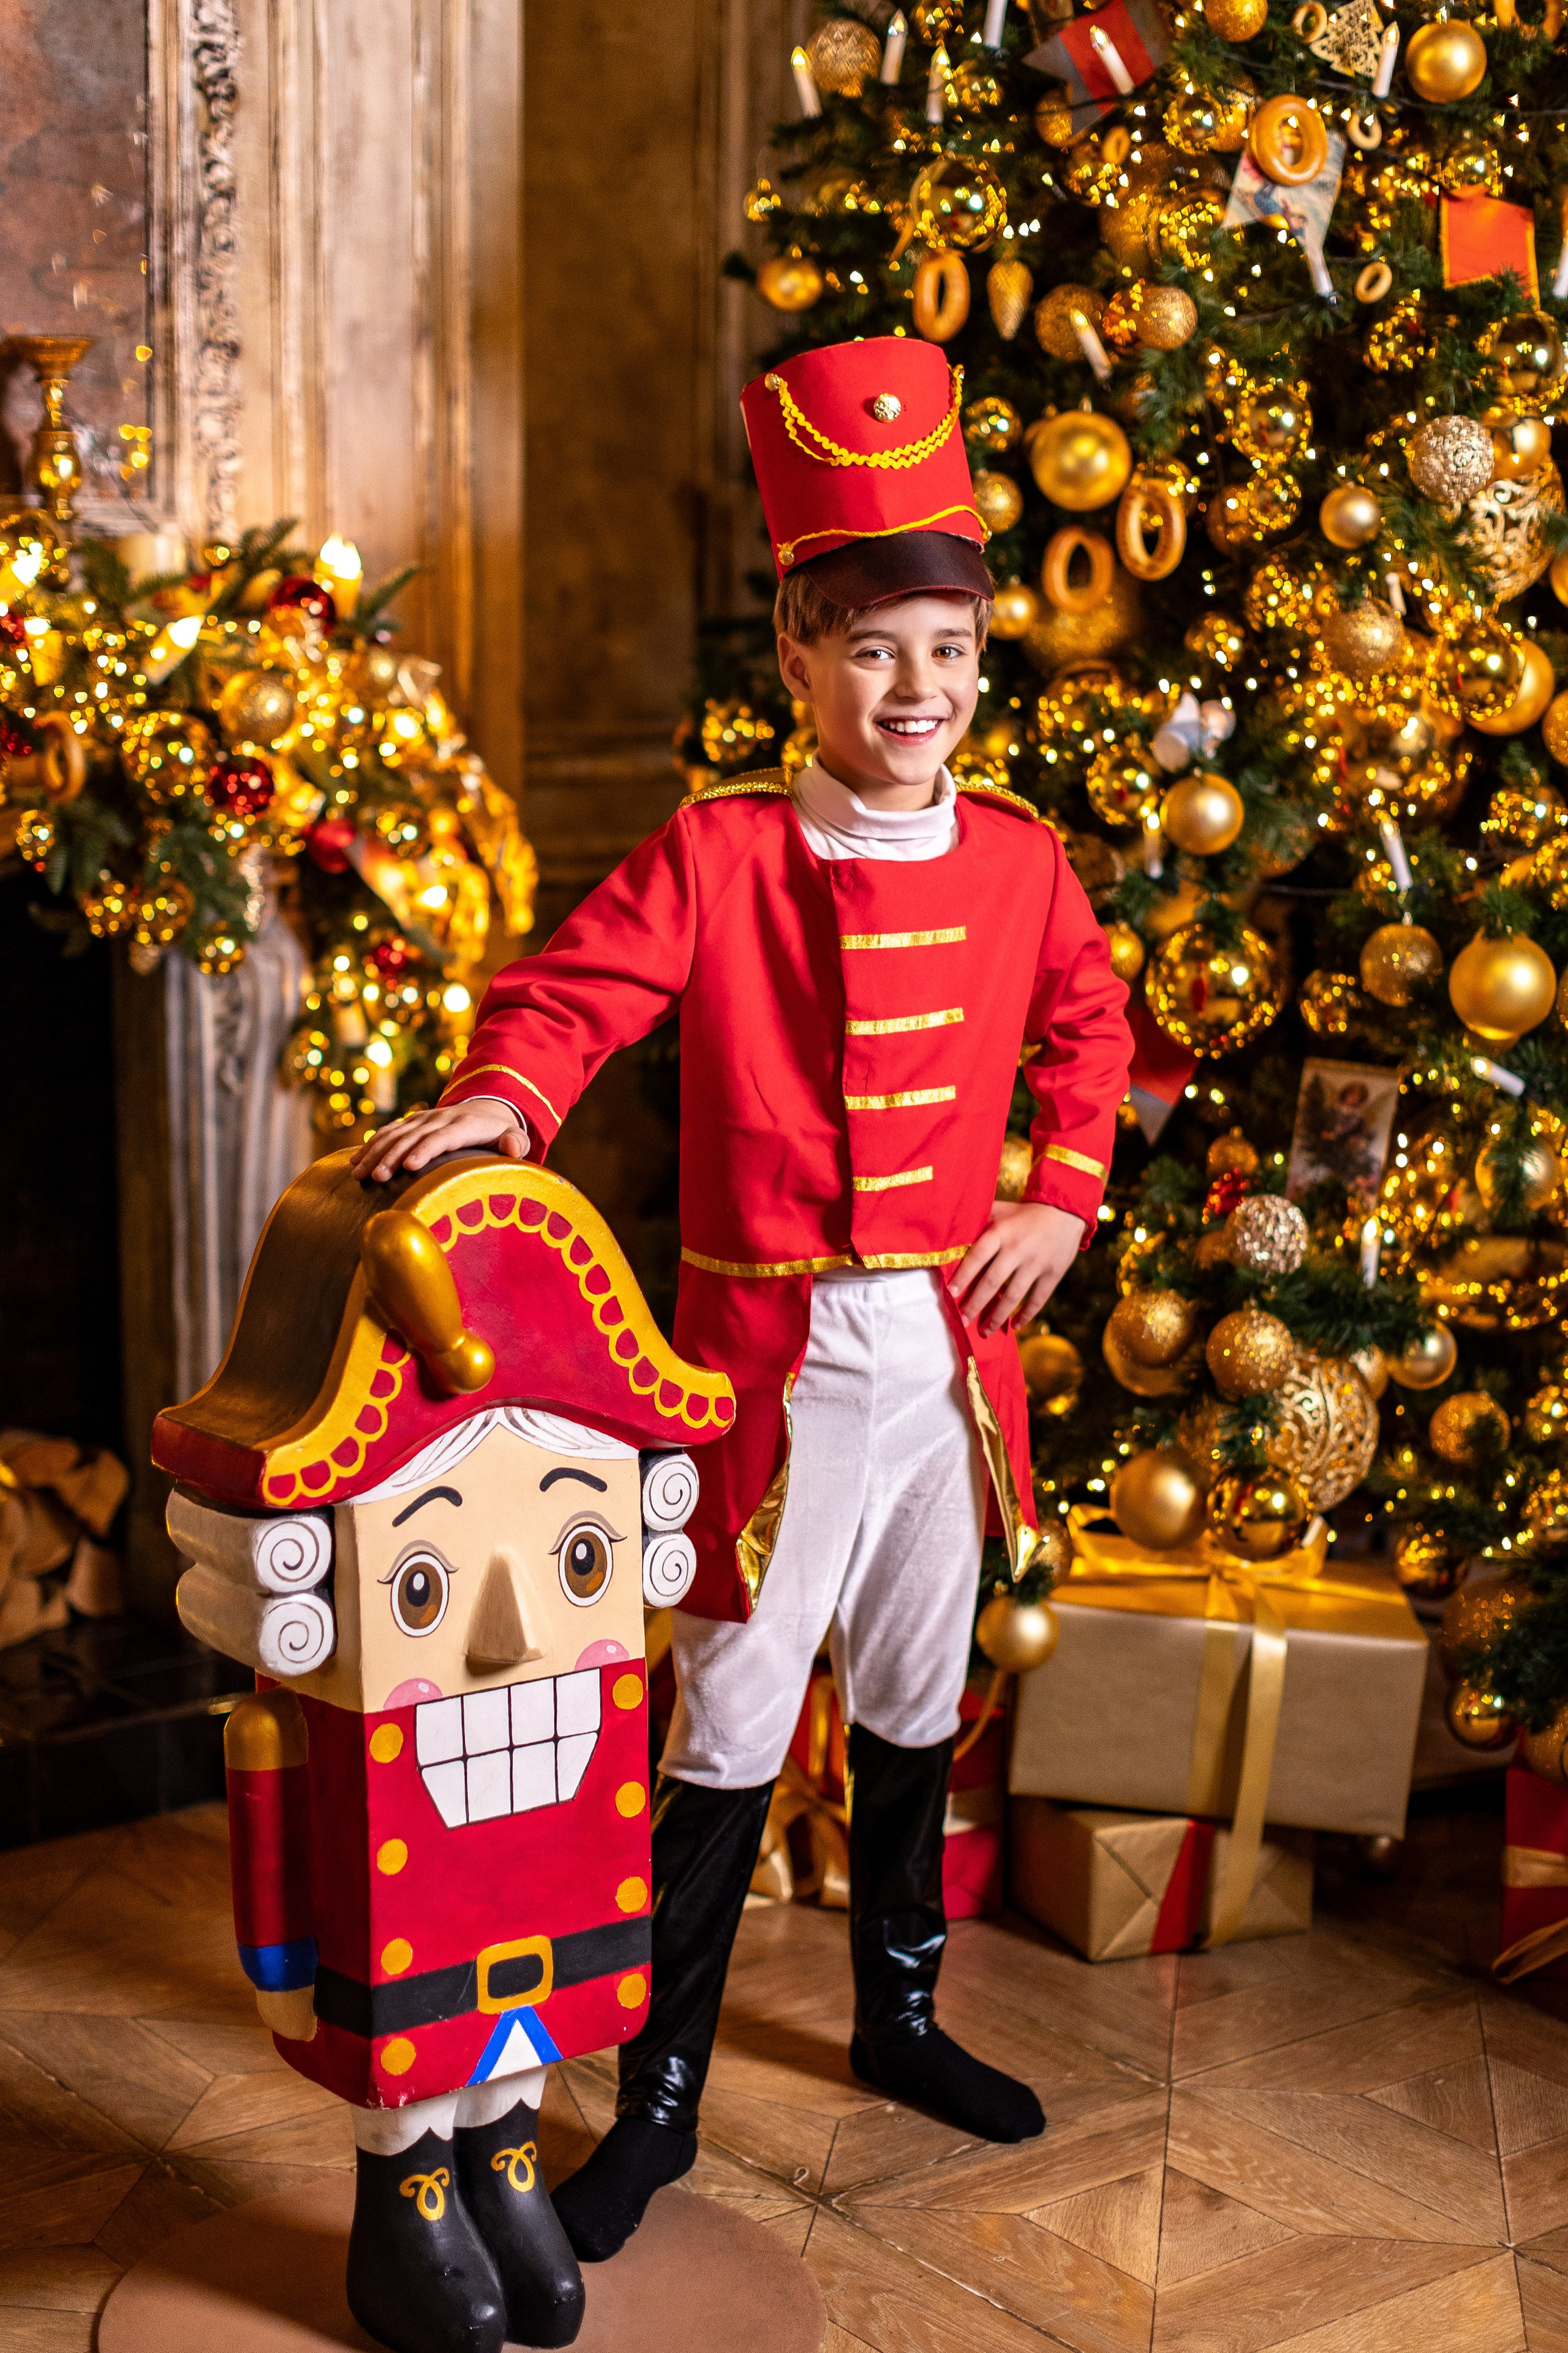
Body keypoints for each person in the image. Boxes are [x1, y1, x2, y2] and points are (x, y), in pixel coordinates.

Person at [351, 335, 1134, 2260]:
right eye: (872, 647)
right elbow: (572, 996)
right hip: (771, 1371)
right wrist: (498, 1097)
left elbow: (1098, 1031)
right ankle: (666, 2105)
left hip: (950, 1361)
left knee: (915, 1691)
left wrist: (1063, 1194)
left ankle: (902, 2014)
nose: (918, 690)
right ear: (795, 654)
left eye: (947, 650)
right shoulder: (724, 853)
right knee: (725, 1714)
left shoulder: (1029, 862)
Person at [154, 1150, 735, 2353]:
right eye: (421, 1580)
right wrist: (284, 1975)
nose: (508, 1633)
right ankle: (408, 2203)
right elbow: (273, 1835)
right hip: (392, 1965)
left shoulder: (598, 1699)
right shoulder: (306, 1715)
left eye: (582, 1555)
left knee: (511, 2068)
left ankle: (501, 2174)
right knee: (414, 2071)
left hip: (534, 1935)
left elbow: (610, 1823)